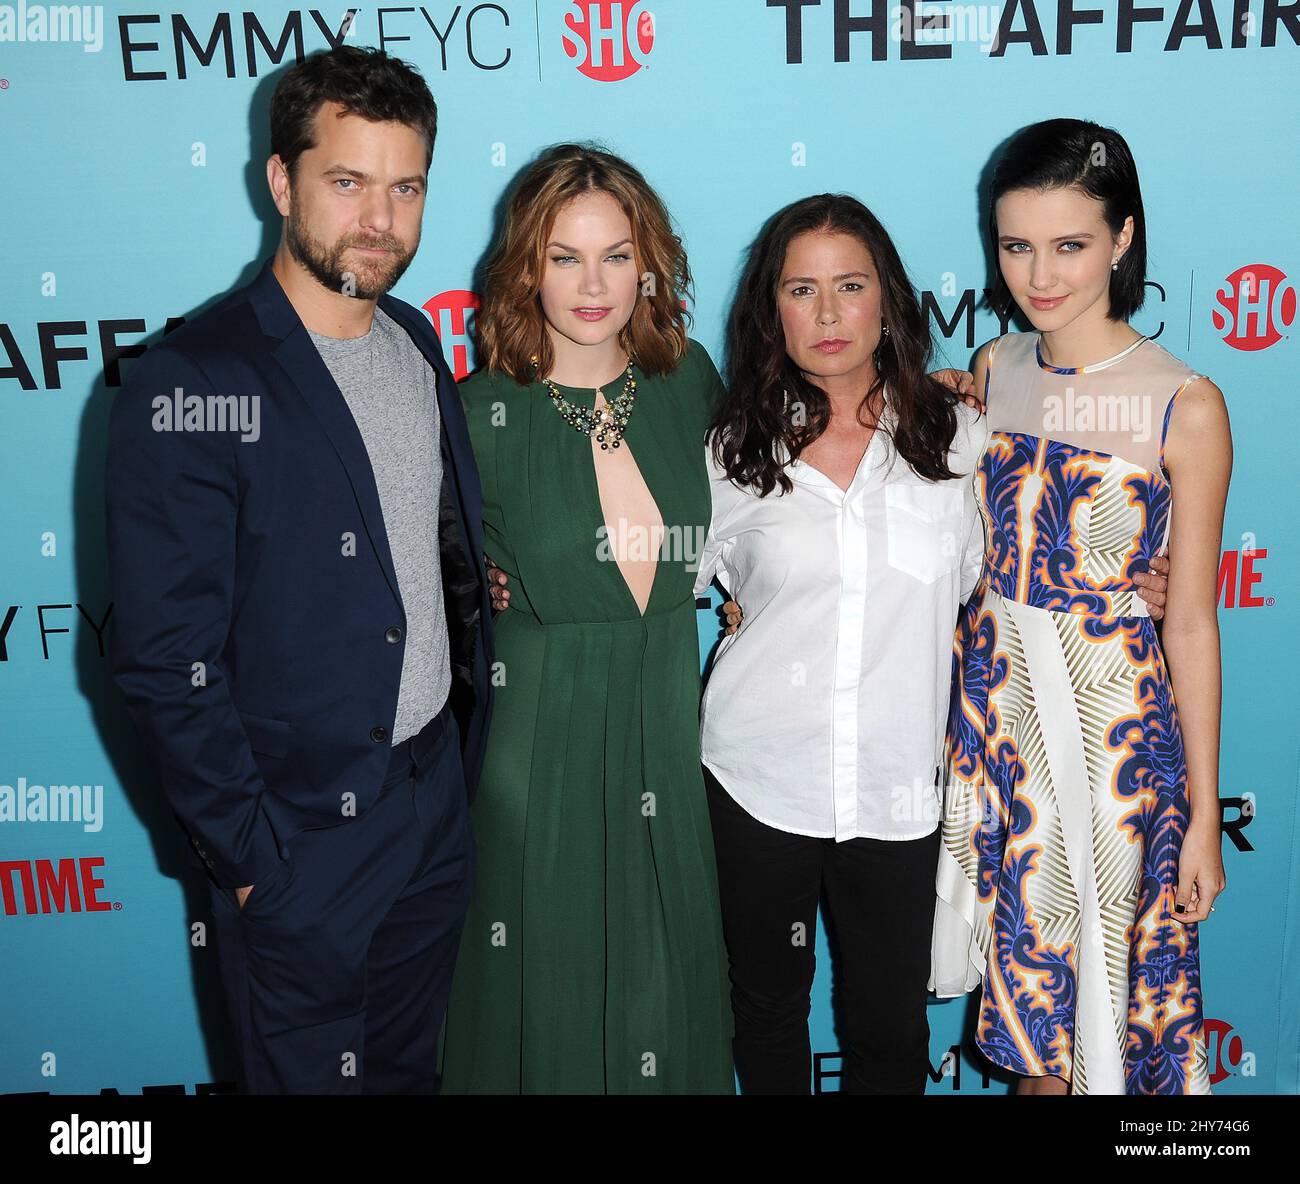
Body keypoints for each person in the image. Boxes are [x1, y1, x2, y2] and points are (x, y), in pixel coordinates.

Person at [104, 46, 493, 1094]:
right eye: (347, 182)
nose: (380, 218)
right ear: (280, 182)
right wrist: (251, 864)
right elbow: (159, 656)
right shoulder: (191, 379)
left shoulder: (413, 338)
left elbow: (425, 549)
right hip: (298, 843)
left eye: (404, 185)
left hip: (427, 808)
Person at [931, 118, 1229, 1095]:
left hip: (1113, 748)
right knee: (1031, 1035)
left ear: (1123, 237)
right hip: (1004, 737)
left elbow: (1187, 621)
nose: (1038, 273)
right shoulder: (994, 366)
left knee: (1100, 1024)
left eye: (1069, 244)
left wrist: (1197, 821)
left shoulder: (1183, 401)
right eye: (1016, 245)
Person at [438, 144, 735, 1094]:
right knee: (546, 1001)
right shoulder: (477, 411)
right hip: (541, 746)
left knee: (664, 985)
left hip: (664, 732)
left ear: (649, 263)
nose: (592, 283)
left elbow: (788, 505)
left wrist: (949, 393)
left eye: (615, 254)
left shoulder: (689, 383)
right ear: (527, 267)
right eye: (565, 257)